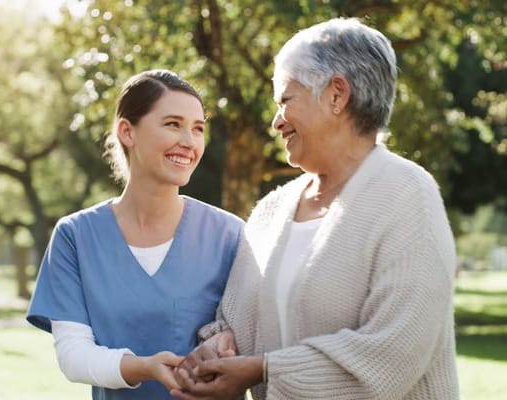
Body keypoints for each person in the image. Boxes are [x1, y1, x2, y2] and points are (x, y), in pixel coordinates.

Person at [171, 18, 459, 399]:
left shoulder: (408, 195)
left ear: (337, 95)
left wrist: (264, 369)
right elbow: (234, 321)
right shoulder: (272, 210)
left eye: (285, 100)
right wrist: (220, 344)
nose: (276, 122)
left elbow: (393, 352)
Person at [26, 69, 244, 400]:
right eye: (173, 124)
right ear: (127, 132)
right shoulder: (75, 236)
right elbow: (73, 356)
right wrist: (143, 367)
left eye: (198, 129)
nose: (189, 141)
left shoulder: (230, 234)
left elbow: (254, 337)